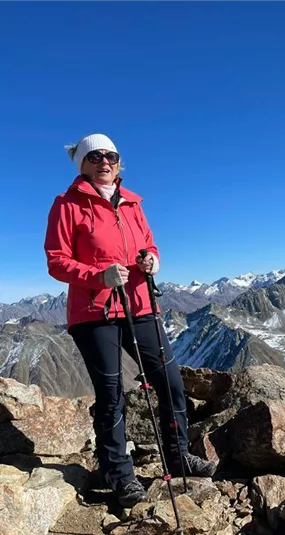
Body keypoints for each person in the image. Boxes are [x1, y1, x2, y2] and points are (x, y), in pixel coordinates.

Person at [44, 133, 217, 508]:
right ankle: (120, 475)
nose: (104, 162)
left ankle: (178, 455)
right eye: (95, 157)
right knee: (111, 394)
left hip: (139, 305)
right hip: (95, 312)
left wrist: (152, 261)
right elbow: (56, 260)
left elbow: (150, 244)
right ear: (83, 165)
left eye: (112, 156)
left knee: (170, 381)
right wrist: (98, 275)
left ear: (119, 163)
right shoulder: (67, 204)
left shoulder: (134, 203)